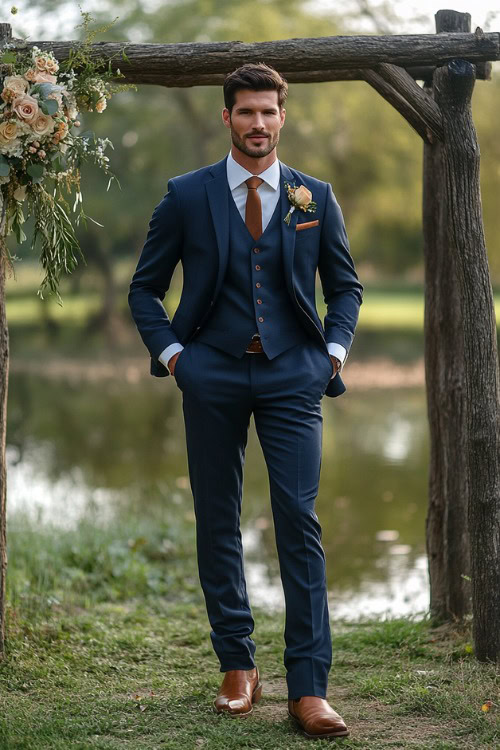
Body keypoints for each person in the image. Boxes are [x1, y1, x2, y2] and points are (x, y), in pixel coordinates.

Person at [128, 62, 363, 740]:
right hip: (211, 375)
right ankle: (238, 665)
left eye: (268, 112)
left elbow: (344, 287)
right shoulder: (185, 195)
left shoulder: (313, 196)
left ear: (281, 118)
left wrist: (333, 353)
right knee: (217, 517)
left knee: (298, 519)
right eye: (246, 112)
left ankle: (309, 687)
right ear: (226, 118)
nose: (258, 123)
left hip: (295, 375)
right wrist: (176, 358)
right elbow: (145, 288)